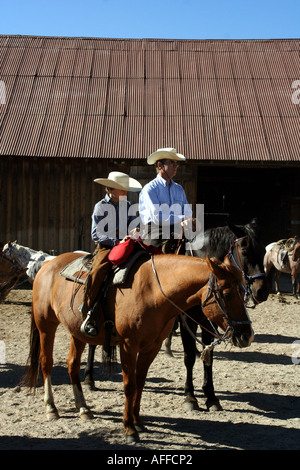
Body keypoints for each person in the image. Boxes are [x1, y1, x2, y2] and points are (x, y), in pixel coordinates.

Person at [80, 171, 142, 337]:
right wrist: (116, 241)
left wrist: (136, 231)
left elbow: (134, 226)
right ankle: (89, 312)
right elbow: (96, 234)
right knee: (97, 272)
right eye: (122, 189)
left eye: (126, 190)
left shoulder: (128, 206)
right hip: (107, 247)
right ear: (112, 190)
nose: (126, 192)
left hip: (127, 244)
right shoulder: (100, 206)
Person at [139, 147, 194, 253]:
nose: (175, 166)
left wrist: (186, 219)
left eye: (177, 163)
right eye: (172, 162)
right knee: (160, 254)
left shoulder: (179, 189)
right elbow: (157, 218)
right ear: (160, 165)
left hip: (178, 230)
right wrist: (183, 218)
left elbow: (188, 212)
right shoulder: (150, 189)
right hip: (155, 231)